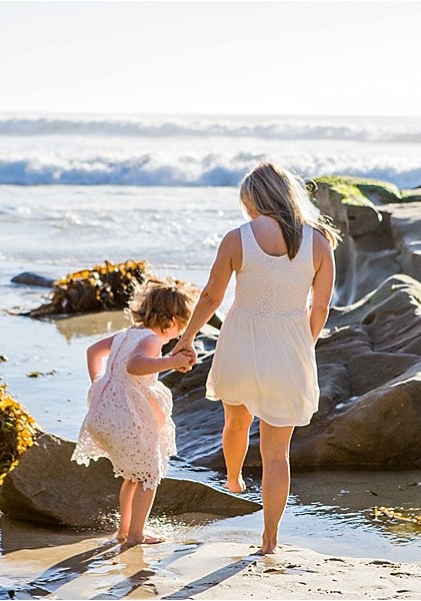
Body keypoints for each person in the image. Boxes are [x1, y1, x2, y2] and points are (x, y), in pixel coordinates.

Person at [172, 162, 340, 554]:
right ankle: (269, 541)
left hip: (240, 343)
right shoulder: (319, 242)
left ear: (253, 198)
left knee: (235, 420)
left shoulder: (238, 238)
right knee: (276, 455)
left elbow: (211, 297)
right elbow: (320, 308)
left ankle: (233, 477)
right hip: (289, 345)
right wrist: (303, 343)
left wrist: (186, 338)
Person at [71, 277, 198, 547]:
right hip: (127, 418)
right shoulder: (151, 339)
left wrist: (99, 383)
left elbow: (93, 352)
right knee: (149, 475)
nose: (179, 334)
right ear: (171, 320)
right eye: (182, 325)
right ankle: (136, 535)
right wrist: (171, 361)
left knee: (133, 476)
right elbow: (135, 365)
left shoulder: (126, 334)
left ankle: (124, 530)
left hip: (106, 413)